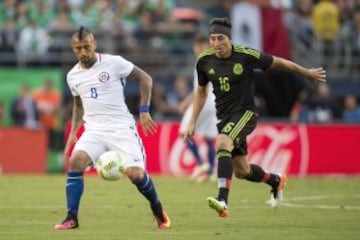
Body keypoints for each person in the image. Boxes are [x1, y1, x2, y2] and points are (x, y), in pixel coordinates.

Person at [184, 18, 326, 217]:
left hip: (245, 113)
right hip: (224, 118)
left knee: (223, 142)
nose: (216, 43)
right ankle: (275, 181)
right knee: (242, 171)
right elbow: (201, 92)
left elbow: (279, 63)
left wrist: (306, 72)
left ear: (230, 39)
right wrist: (192, 121)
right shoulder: (204, 61)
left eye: (221, 38)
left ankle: (222, 200)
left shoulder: (245, 55)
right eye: (213, 39)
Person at [54, 26, 171, 230]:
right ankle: (71, 217)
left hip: (121, 128)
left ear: (94, 45)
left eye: (87, 47)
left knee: (136, 175)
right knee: (75, 162)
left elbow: (145, 79)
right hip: (94, 130)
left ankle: (157, 208)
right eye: (78, 48)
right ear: (73, 49)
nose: (83, 52)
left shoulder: (114, 63)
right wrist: (74, 131)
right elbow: (78, 105)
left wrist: (144, 110)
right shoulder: (72, 76)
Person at [178, 35, 217, 182]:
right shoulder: (214, 61)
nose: (198, 49)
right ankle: (212, 172)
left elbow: (200, 91)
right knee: (208, 138)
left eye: (201, 46)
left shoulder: (203, 61)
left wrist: (188, 103)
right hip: (213, 104)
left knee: (184, 133)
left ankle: (201, 165)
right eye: (197, 46)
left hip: (202, 103)